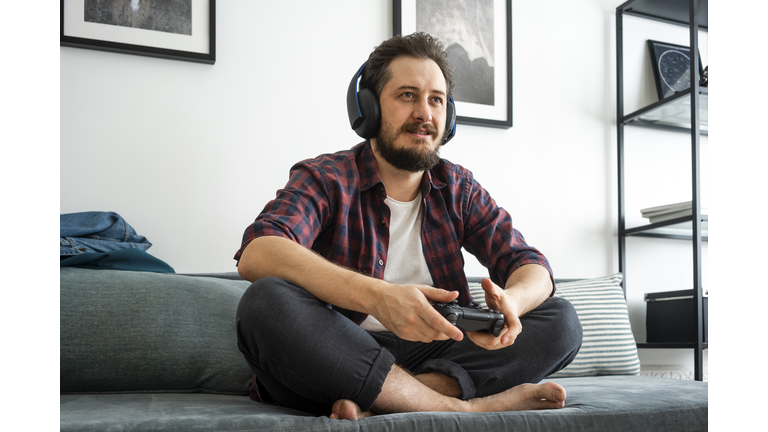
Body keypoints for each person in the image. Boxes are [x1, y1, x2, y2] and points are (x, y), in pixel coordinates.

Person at [234, 32, 582, 420]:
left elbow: (528, 262)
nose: (424, 113)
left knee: (561, 319)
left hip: (436, 352)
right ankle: (458, 407)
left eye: (435, 100)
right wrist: (378, 297)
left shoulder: (459, 187)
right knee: (265, 303)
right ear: (368, 108)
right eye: (407, 95)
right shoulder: (325, 177)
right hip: (339, 351)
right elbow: (259, 251)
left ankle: (394, 400)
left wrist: (512, 304)